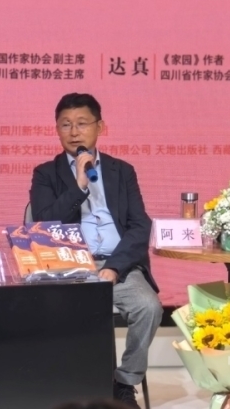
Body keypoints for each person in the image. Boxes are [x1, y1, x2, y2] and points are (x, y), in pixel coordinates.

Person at [30, 93, 163, 409]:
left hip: (118, 265)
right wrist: (78, 186)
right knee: (73, 314)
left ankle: (124, 382)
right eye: (66, 124)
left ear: (100, 127)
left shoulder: (122, 171)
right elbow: (44, 225)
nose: (74, 132)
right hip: (70, 267)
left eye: (82, 123)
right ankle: (81, 383)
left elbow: (139, 225)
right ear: (56, 129)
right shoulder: (45, 174)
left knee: (149, 307)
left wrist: (114, 267)